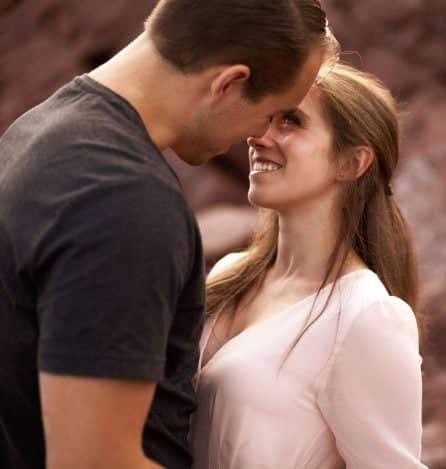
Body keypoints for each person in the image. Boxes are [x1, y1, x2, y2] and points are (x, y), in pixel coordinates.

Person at [0, 1, 337, 468]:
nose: (259, 136)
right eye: (271, 113)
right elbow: (93, 461)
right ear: (228, 83)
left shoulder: (39, 132)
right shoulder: (121, 200)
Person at [190, 62, 428, 468]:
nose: (258, 136)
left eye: (291, 122)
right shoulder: (228, 274)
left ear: (352, 163)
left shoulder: (364, 316)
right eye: (267, 118)